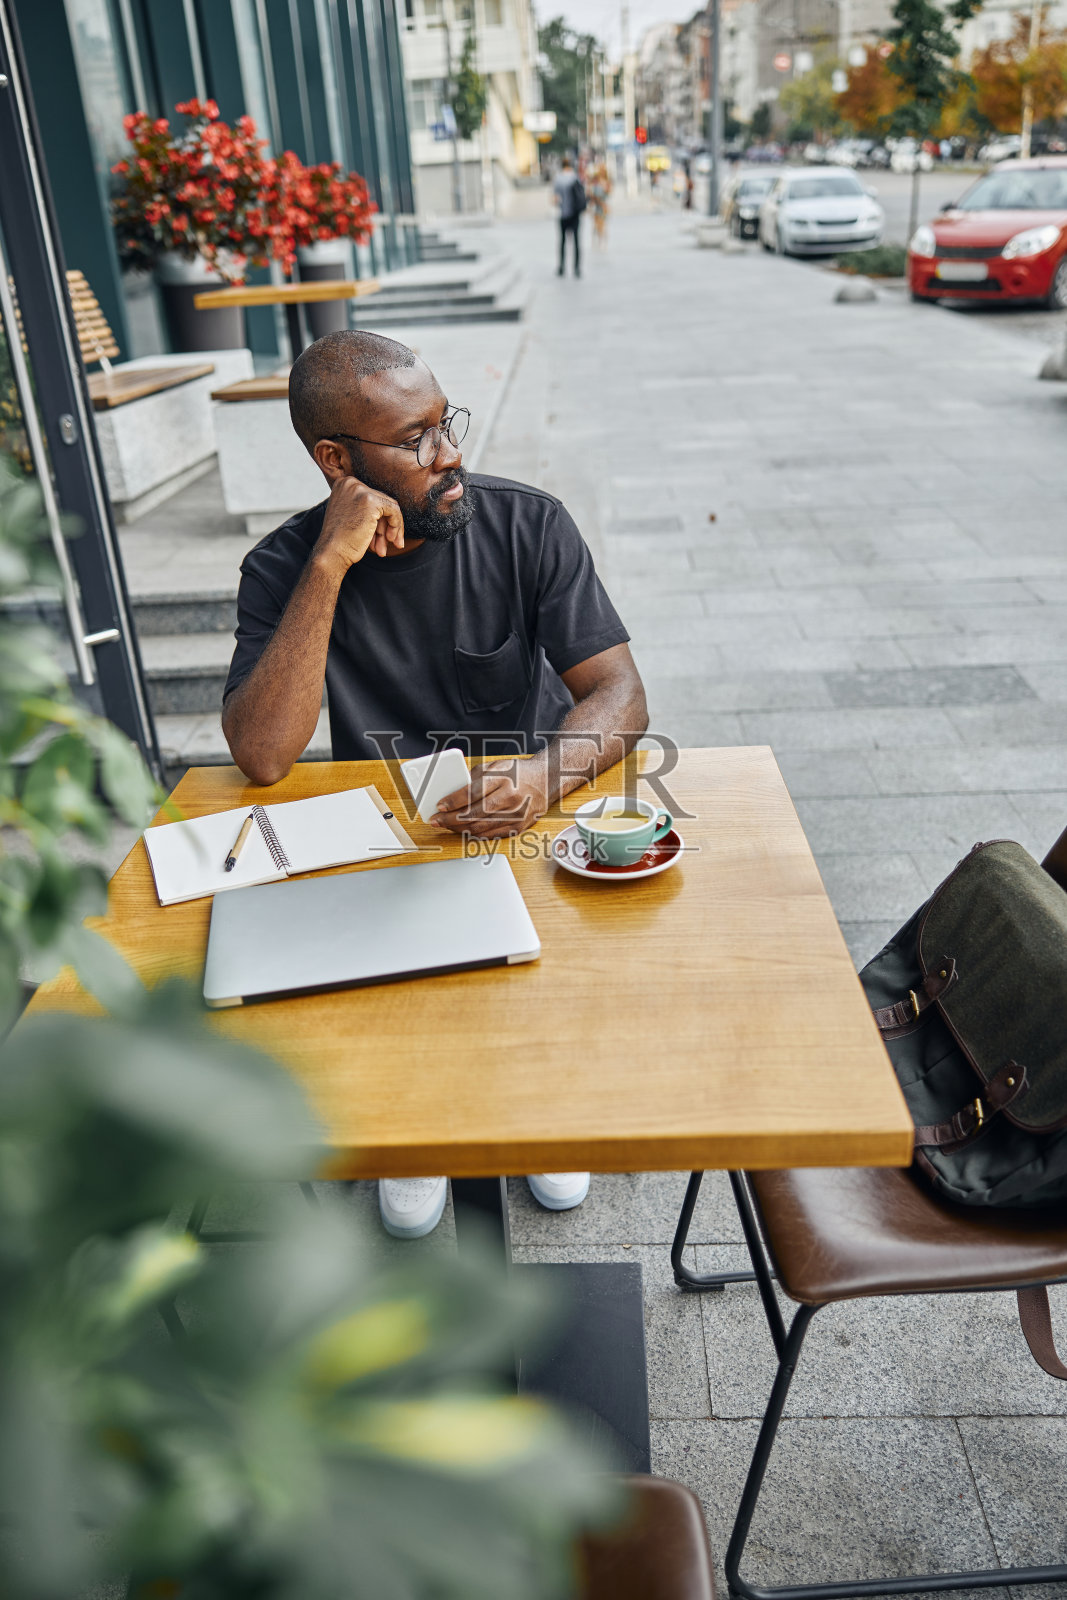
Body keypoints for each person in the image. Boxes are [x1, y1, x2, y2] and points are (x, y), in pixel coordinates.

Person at [221, 329, 648, 1240]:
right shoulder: (279, 568)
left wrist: (542, 774)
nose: (450, 452)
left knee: (535, 949)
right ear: (335, 462)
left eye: (445, 420)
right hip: (382, 843)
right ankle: (412, 1133)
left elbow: (618, 694)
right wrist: (328, 566)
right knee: (387, 970)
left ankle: (536, 1108)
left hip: (525, 824)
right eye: (414, 439)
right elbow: (261, 754)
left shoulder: (526, 523)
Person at [553, 153, 584, 277]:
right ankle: (576, 268)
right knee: (577, 241)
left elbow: (555, 199)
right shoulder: (576, 177)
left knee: (562, 241)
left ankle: (561, 267)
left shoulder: (558, 179)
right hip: (575, 214)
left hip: (564, 214)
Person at [588, 160, 612, 246]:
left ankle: (601, 240)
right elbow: (590, 193)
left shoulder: (606, 182)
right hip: (597, 205)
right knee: (596, 224)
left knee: (602, 224)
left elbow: (609, 192)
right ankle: (597, 240)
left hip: (603, 206)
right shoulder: (595, 181)